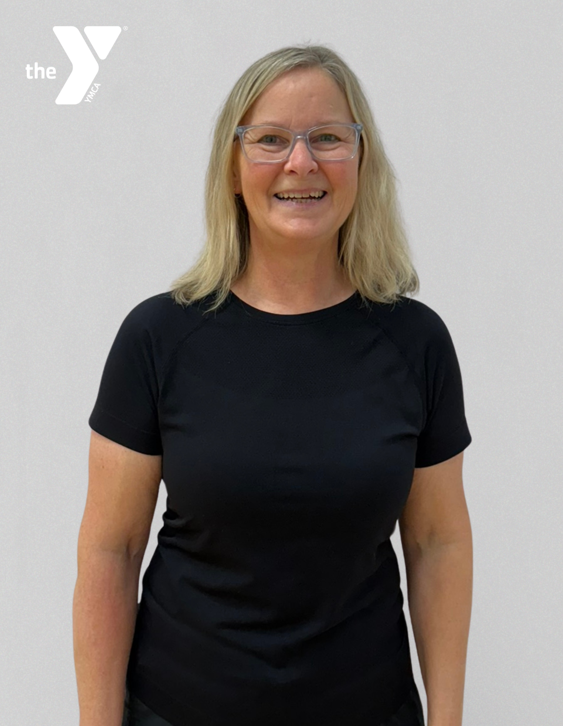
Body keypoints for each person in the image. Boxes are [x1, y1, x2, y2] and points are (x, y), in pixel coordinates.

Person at [75, 44, 473, 726]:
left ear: (361, 159)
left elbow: (437, 543)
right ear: (233, 168)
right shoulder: (158, 338)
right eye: (270, 140)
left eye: (328, 138)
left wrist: (449, 720)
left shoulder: (416, 343)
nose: (301, 162)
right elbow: (111, 552)